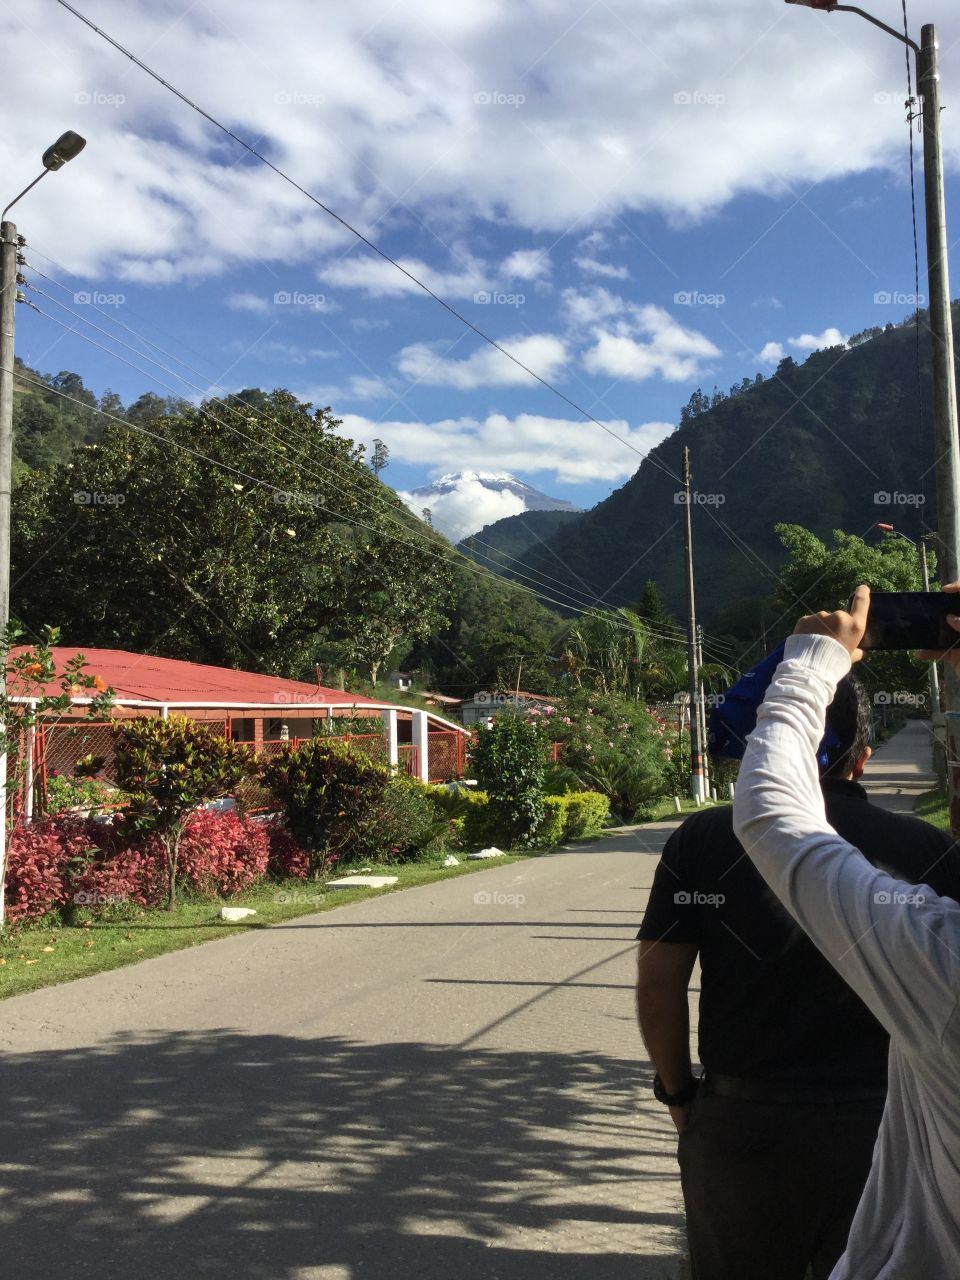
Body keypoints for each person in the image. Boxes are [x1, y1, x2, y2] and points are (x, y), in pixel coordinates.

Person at [636, 665, 960, 1280]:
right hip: (885, 1132)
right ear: (860, 758)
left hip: (741, 1127)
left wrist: (681, 1098)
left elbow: (659, 985)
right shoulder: (928, 849)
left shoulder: (701, 838)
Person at [732, 583, 960, 1278]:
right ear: (862, 758)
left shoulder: (942, 957)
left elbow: (774, 817)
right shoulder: (924, 864)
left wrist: (809, 662)